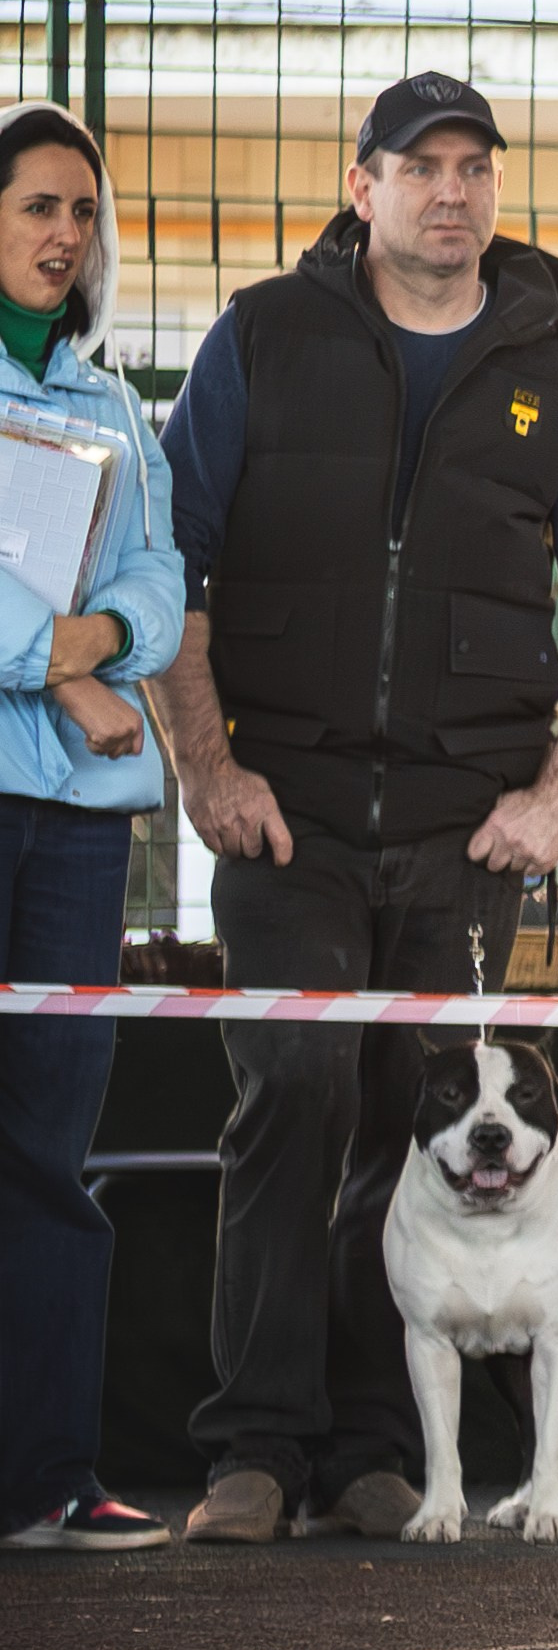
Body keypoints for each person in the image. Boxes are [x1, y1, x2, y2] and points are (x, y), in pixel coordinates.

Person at [154, 72, 558, 1544]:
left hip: (463, 833)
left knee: (415, 1120)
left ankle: (380, 1450)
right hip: (284, 819)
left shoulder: (557, 380)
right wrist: (209, 771)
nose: (452, 191)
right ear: (362, 184)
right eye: (419, 165)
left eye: (474, 167)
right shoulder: (260, 339)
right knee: (293, 1098)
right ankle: (253, 1449)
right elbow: (167, 572)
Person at [0, 107, 187, 1553]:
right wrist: (64, 663)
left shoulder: (118, 409)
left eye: (82, 210)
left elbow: (160, 582)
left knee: (51, 1153)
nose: (65, 234)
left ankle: (53, 1478)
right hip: (55, 744)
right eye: (36, 208)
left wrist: (99, 638)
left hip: (78, 825)